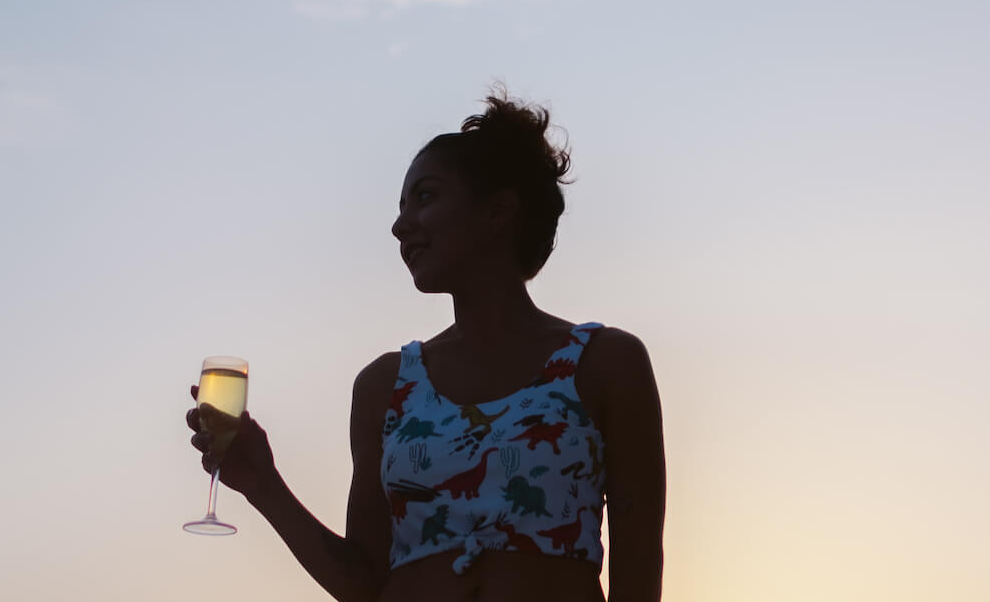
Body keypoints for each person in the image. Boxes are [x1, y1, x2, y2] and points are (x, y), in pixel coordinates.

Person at [186, 90, 666, 601]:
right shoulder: (386, 385)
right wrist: (263, 483)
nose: (399, 225)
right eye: (401, 206)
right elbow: (363, 581)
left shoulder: (606, 362)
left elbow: (639, 571)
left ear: (498, 210)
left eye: (425, 197)